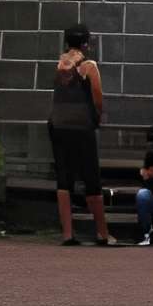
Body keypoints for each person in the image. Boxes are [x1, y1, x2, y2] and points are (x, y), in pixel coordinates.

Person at [46, 23, 114, 246]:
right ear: (86, 44)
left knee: (64, 177)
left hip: (58, 125)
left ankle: (67, 234)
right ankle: (102, 233)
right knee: (91, 176)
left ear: (66, 43)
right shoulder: (88, 66)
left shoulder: (59, 65)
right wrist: (98, 117)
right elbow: (97, 97)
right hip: (82, 126)